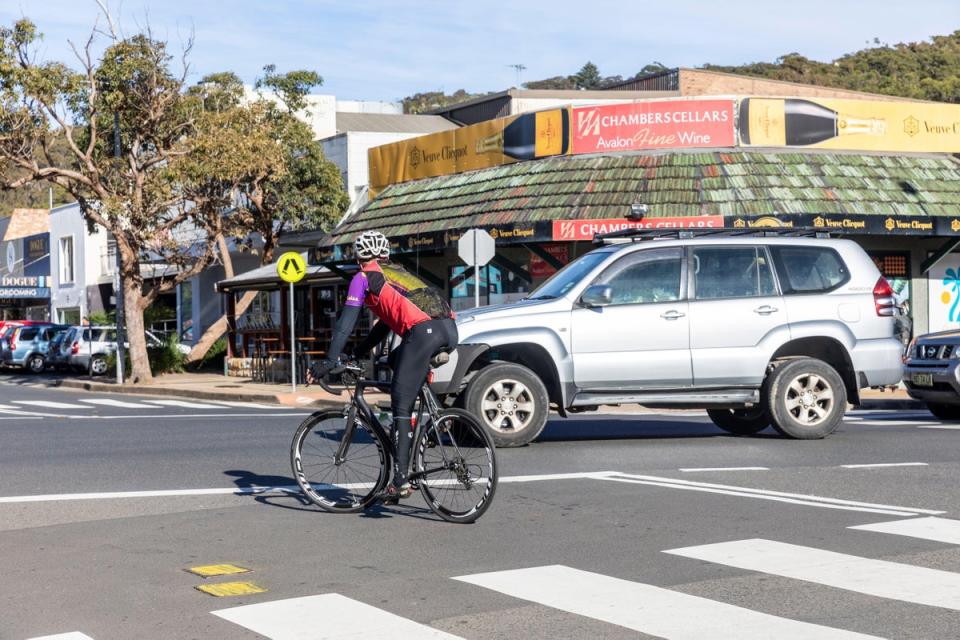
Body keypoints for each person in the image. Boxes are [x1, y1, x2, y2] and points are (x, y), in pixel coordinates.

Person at [307, 230, 458, 501]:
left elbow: (345, 324)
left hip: (423, 333)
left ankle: (400, 481)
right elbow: (384, 327)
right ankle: (433, 408)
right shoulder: (396, 273)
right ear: (385, 254)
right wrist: (358, 353)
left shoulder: (363, 278)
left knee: (400, 402)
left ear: (359, 257)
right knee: (394, 360)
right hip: (448, 330)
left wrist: (330, 361)